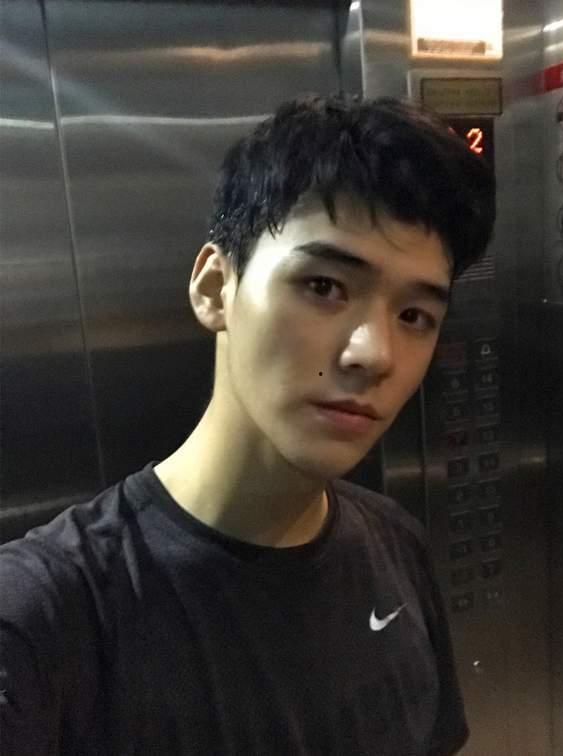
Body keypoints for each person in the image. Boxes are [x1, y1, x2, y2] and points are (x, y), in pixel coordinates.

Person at [0, 93, 495, 755]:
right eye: (323, 286)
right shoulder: (45, 620)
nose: (374, 353)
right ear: (215, 287)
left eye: (414, 316)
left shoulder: (397, 547)